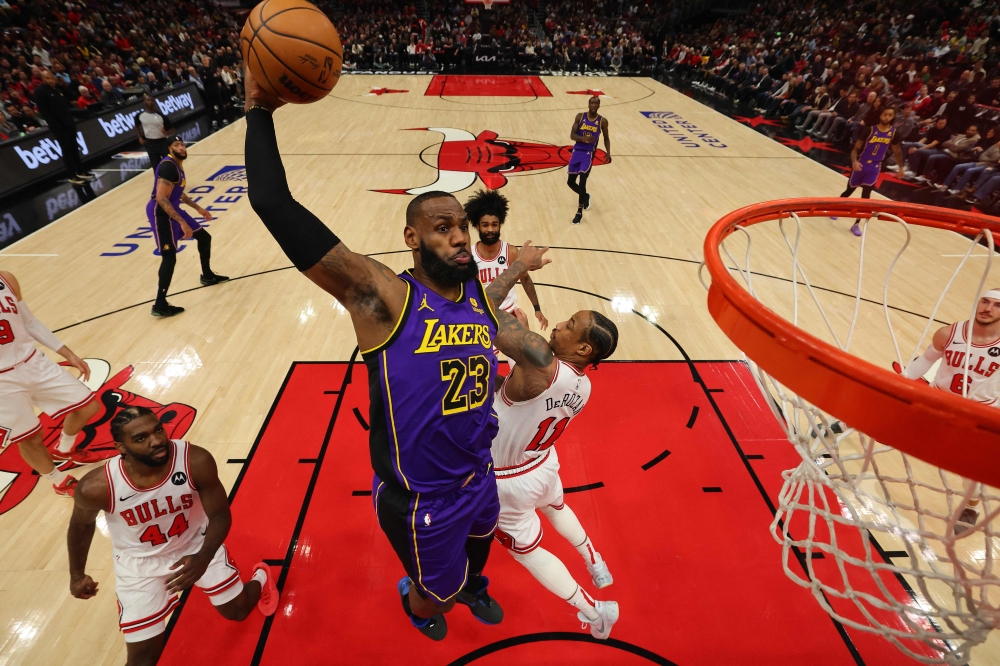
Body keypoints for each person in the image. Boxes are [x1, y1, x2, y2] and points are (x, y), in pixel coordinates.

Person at [242, 66, 552, 641]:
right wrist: (258, 110)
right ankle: (418, 601)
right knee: (436, 598)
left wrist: (538, 343)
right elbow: (272, 202)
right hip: (421, 499)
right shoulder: (384, 298)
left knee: (480, 554)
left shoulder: (477, 302)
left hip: (480, 477)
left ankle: (472, 584)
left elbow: (522, 340)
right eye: (443, 227)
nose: (460, 236)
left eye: (462, 226)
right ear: (413, 238)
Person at [67, 407, 280, 664]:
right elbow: (81, 525)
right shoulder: (96, 487)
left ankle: (261, 577)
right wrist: (77, 575)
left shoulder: (194, 460)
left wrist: (202, 557)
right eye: (141, 438)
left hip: (195, 544)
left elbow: (221, 515)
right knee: (143, 659)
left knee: (238, 611)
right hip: (139, 563)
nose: (156, 440)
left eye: (158, 429)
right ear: (121, 447)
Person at [483, 261, 620, 638]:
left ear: (583, 347)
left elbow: (484, 306)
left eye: (569, 325)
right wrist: (521, 346)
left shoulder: (541, 365)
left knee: (527, 550)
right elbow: (520, 392)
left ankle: (595, 612)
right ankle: (596, 562)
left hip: (508, 478)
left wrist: (518, 267)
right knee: (557, 507)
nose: (559, 324)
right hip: (542, 464)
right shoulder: (584, 385)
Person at [897, 291, 1000, 534]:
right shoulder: (949, 333)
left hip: (979, 413)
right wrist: (899, 384)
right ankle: (845, 426)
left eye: (997, 305)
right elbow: (923, 362)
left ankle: (971, 508)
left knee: (969, 470)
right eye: (985, 301)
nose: (988, 308)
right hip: (938, 402)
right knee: (887, 425)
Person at [0, 270, 101, 496]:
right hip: (2, 381)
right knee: (29, 438)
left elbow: (30, 322)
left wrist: (68, 353)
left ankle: (64, 449)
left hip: (32, 362)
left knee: (88, 406)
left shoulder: (6, 278)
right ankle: (58, 480)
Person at [147, 136, 229, 318]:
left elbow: (178, 193)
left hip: (173, 206)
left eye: (182, 144)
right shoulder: (169, 167)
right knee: (169, 257)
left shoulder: (177, 166)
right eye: (176, 145)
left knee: (204, 237)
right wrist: (183, 223)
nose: (182, 147)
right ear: (169, 148)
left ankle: (207, 275)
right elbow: (161, 198)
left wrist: (198, 208)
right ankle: (160, 304)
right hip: (160, 212)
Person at [465, 189, 547, 331]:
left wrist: (537, 309)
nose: (490, 229)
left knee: (522, 352)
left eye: (494, 224)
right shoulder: (469, 255)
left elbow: (525, 279)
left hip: (510, 314)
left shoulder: (510, 252)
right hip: (481, 316)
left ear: (500, 224)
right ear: (477, 226)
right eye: (485, 225)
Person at [839, 106, 904, 236]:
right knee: (849, 191)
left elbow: (897, 151)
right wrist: (854, 162)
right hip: (861, 164)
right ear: (880, 115)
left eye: (890, 115)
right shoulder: (869, 130)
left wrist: (901, 168)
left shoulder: (894, 133)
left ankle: (856, 224)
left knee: (866, 197)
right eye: (885, 114)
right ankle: (835, 209)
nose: (887, 117)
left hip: (874, 167)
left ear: (893, 117)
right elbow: (855, 149)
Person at [32, 70, 94, 185]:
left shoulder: (57, 90)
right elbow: (45, 112)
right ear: (43, 79)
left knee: (74, 148)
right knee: (67, 150)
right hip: (59, 127)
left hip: (69, 124)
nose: (50, 80)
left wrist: (79, 113)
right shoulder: (40, 91)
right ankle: (71, 175)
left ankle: (80, 171)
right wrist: (56, 126)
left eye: (51, 77)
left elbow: (65, 109)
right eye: (47, 78)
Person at [567, 96, 611, 225]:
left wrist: (608, 152)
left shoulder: (602, 121)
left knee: (582, 181)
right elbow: (572, 135)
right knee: (570, 182)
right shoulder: (580, 117)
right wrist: (583, 139)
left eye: (596, 103)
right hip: (577, 152)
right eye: (592, 102)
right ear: (588, 104)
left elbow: (606, 137)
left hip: (588, 154)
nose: (593, 104)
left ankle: (579, 212)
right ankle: (585, 196)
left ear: (599, 105)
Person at [136, 96, 176, 179]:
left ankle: (172, 181)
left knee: (168, 162)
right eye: (148, 100)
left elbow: (172, 130)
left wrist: (166, 132)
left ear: (155, 102)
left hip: (162, 142)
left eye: (152, 100)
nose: (150, 102)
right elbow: (136, 125)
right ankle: (159, 183)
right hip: (150, 143)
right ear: (144, 102)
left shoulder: (161, 116)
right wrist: (140, 137)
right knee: (155, 165)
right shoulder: (140, 116)